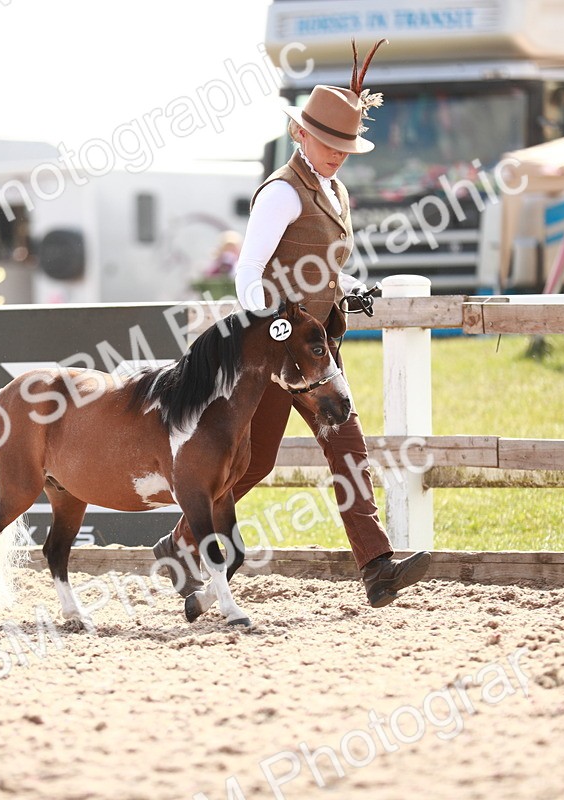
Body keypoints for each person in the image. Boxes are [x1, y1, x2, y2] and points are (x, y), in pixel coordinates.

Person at [153, 39, 432, 608]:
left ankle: (376, 567)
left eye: (344, 146)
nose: (337, 154)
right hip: (279, 351)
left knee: (343, 446)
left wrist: (350, 291)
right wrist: (271, 328)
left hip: (318, 347)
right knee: (252, 464)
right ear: (301, 134)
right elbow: (248, 273)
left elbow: (321, 267)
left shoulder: (335, 190)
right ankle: (183, 544)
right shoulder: (281, 192)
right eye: (328, 143)